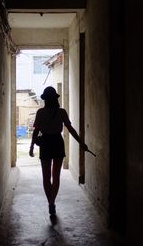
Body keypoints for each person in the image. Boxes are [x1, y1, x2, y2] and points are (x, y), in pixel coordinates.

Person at [29, 86, 88, 215]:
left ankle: (49, 201)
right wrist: (81, 143)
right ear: (56, 98)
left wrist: (32, 147)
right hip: (57, 143)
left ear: (45, 99)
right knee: (56, 176)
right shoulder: (61, 112)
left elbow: (36, 131)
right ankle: (52, 202)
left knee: (46, 177)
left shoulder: (40, 113)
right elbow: (70, 129)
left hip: (45, 144)